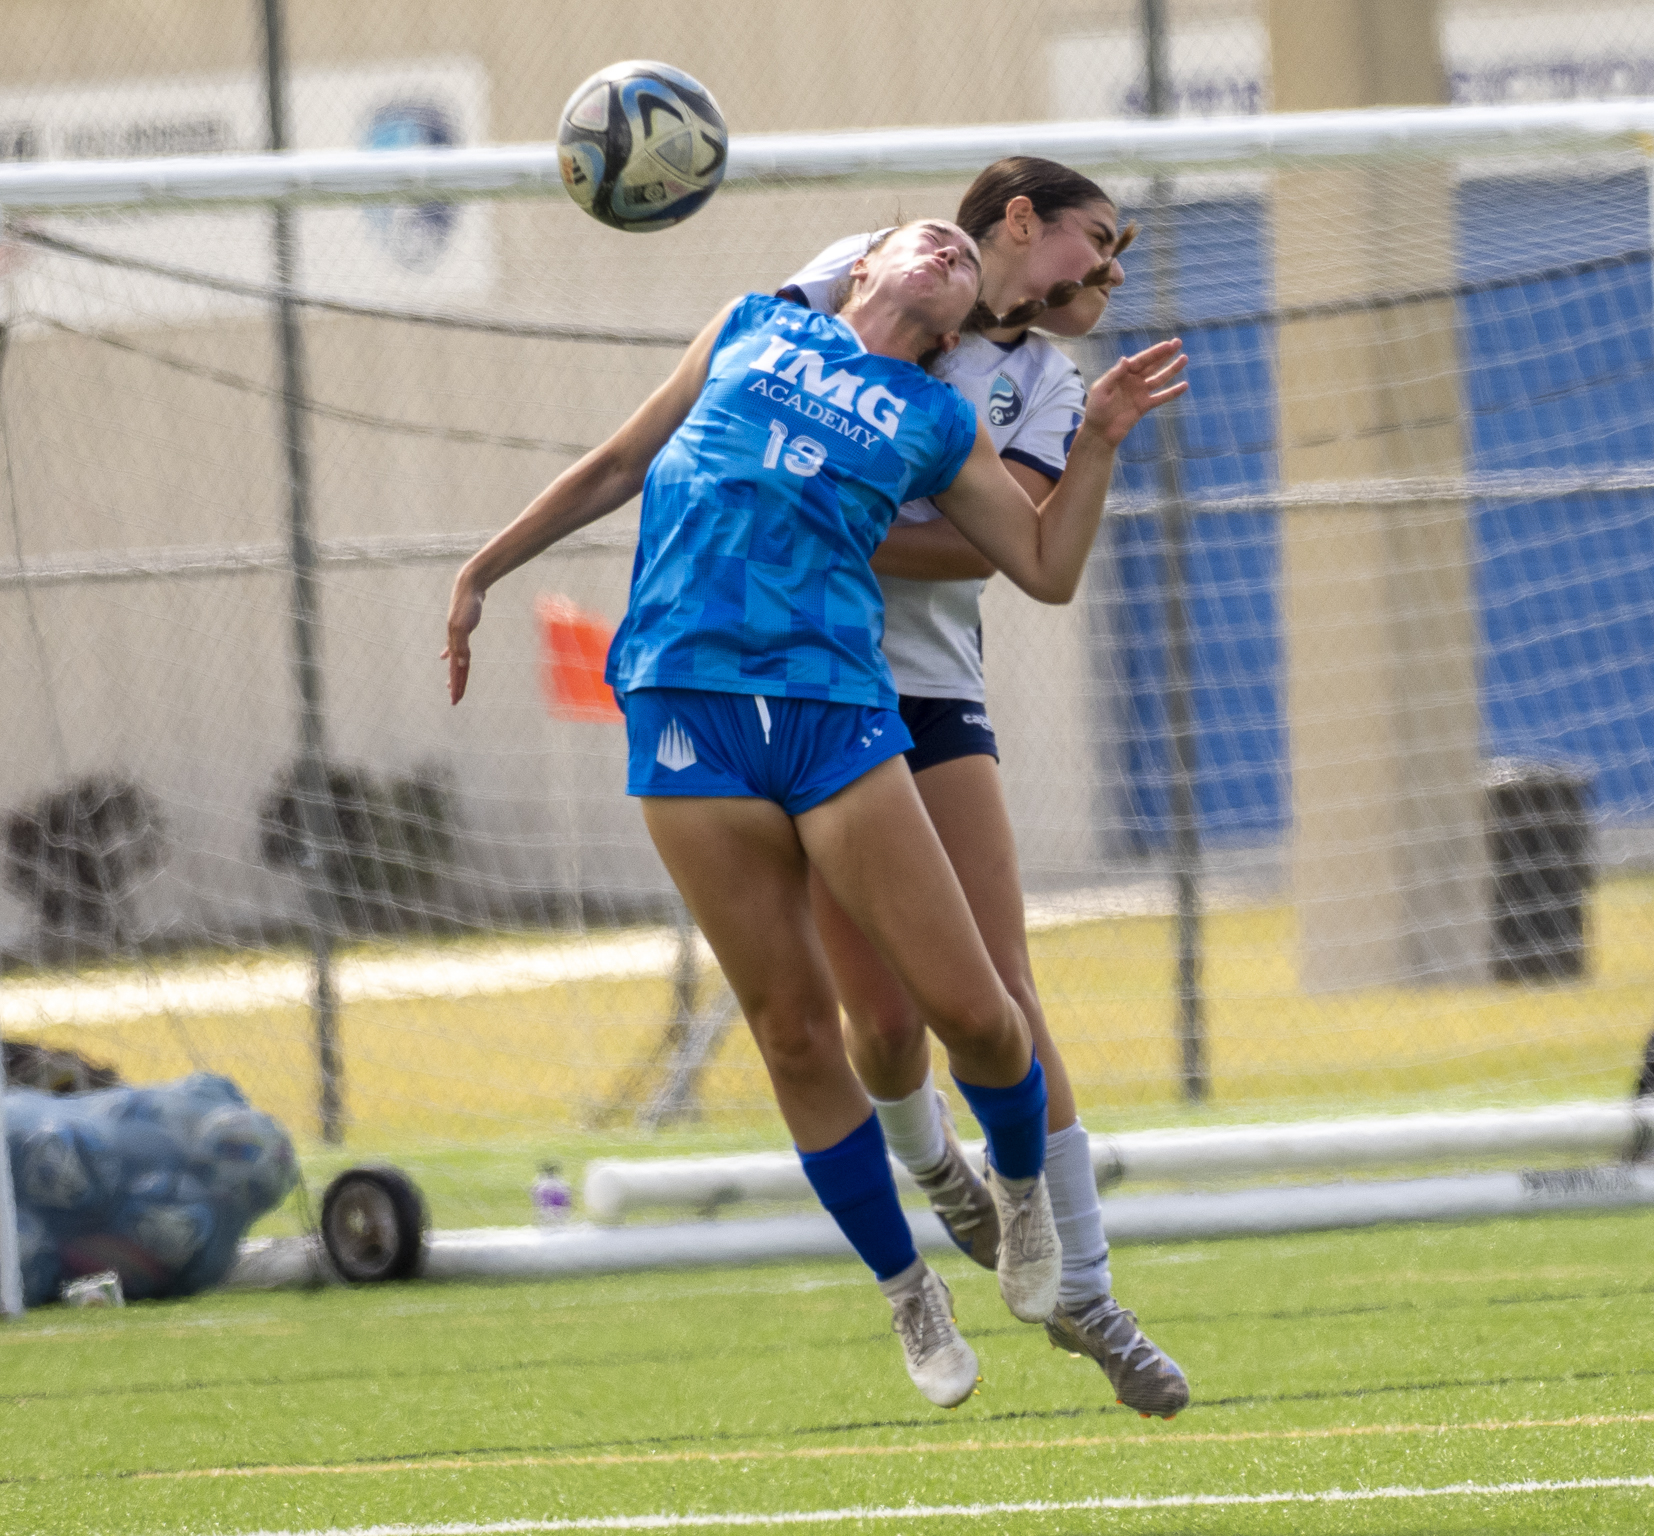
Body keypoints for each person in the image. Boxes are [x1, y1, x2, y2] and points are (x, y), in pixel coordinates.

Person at [443, 219, 1188, 1409]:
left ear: (957, 330)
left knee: (980, 1017)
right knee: (794, 1030)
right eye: (920, 241)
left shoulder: (939, 420)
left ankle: (1020, 1198)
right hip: (684, 697)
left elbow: (1042, 569)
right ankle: (909, 1292)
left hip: (834, 705)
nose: (941, 249)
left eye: (958, 256)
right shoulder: (749, 326)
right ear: (856, 269)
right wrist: (484, 569)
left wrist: (1094, 438)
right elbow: (614, 465)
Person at [777, 158, 1190, 1418]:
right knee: (883, 1026)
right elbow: (741, 407)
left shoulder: (1044, 382)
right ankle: (940, 1181)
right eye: (1093, 247)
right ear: (1018, 221)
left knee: (1001, 995)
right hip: (807, 685)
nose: (1103, 277)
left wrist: (827, 511)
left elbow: (996, 543)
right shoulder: (868, 268)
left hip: (927, 693)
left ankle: (1087, 1292)